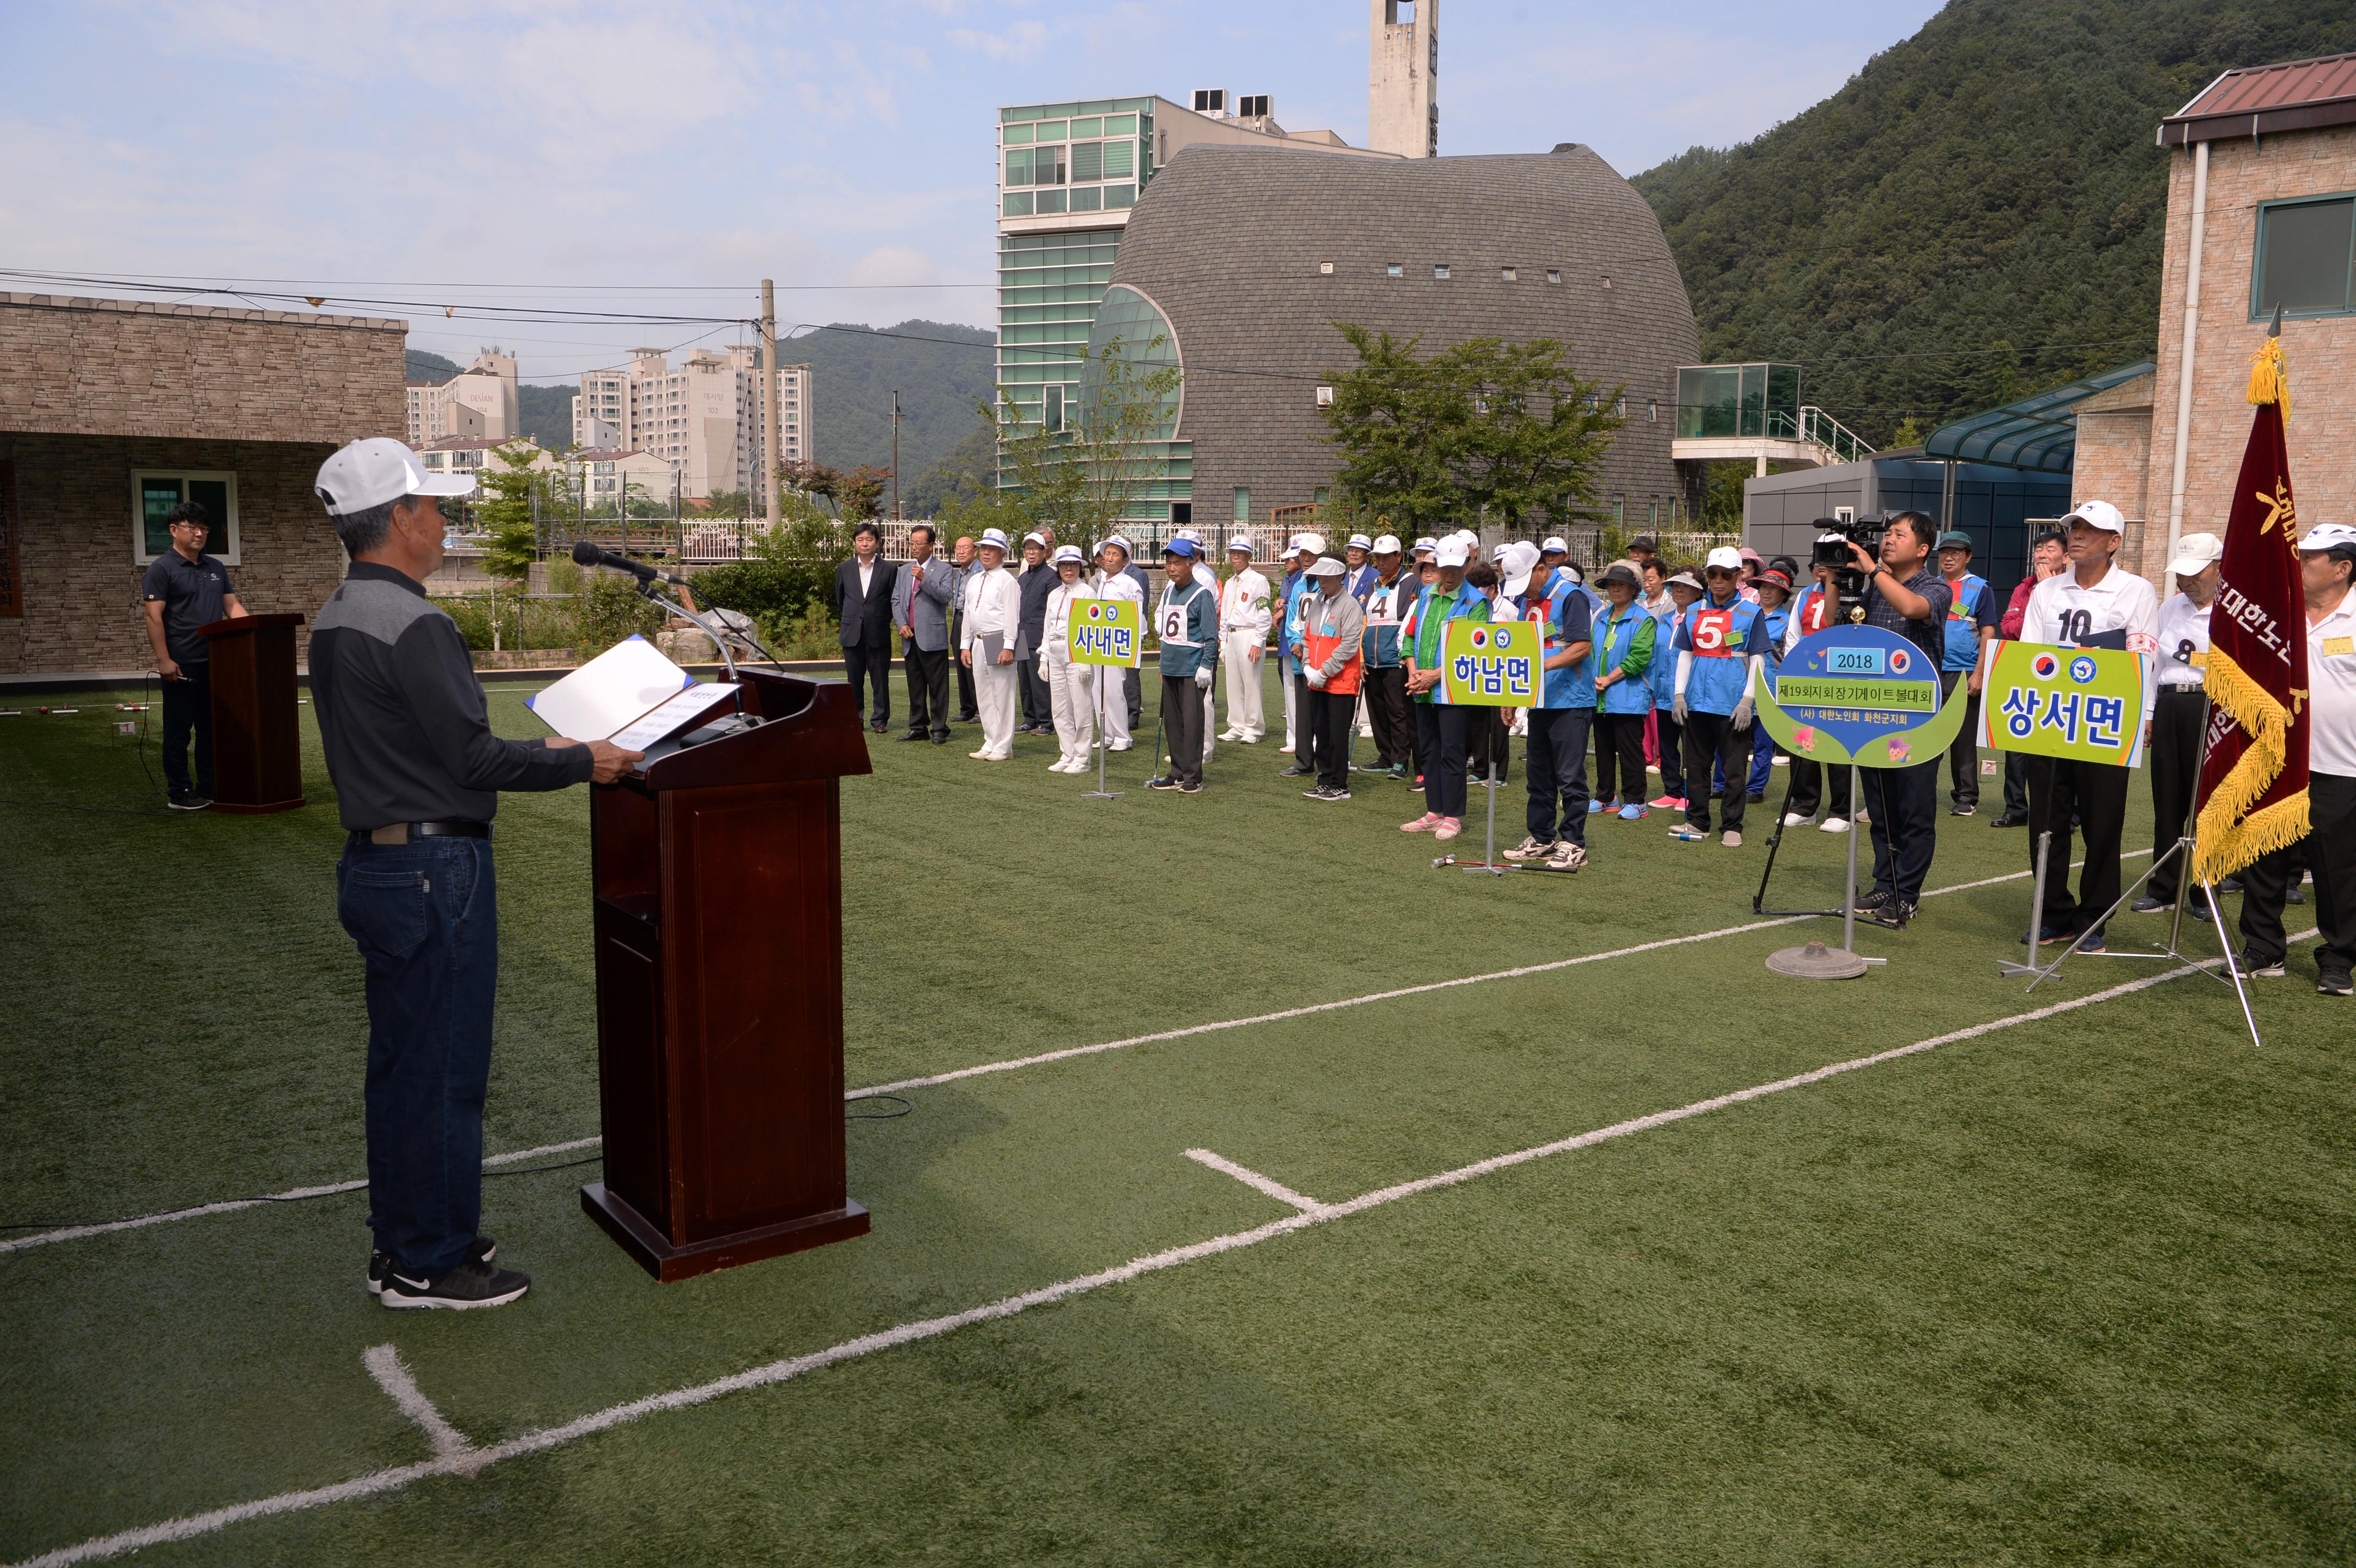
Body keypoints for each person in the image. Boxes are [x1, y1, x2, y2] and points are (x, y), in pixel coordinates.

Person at [307, 438, 639, 1309]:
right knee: (442, 1072)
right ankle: (430, 1262)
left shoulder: (339, 614)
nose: (445, 521)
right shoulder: (415, 622)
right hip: (432, 865)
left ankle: (408, 1239)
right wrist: (579, 759)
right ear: (401, 519)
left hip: (380, 865)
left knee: (403, 1067)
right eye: (437, 507)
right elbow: (471, 755)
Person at [2018, 500, 2159, 951]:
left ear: (2114, 542)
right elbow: (2027, 653)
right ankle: (2052, 912)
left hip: (2106, 721)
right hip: (2051, 717)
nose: (2076, 535)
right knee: (2046, 821)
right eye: (2073, 527)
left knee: (2103, 823)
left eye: (2089, 530)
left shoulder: (2136, 590)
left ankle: (2094, 917)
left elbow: (2144, 658)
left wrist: (2147, 714)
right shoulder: (2047, 591)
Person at [2237, 523, 2356, 995]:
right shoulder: (2277, 614)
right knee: (2263, 859)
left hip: (2339, 765)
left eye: (2310, 557)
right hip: (2275, 759)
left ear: (2342, 568)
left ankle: (2338, 958)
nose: (2299, 562)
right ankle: (2262, 949)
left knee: (2336, 870)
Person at [1838, 512, 1952, 923]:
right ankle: (1884, 886)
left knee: (1914, 810)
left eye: (1898, 535)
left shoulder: (1936, 588)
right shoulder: (1872, 587)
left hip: (1919, 717)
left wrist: (1872, 572)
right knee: (1882, 808)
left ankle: (1907, 893)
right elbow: (1841, 626)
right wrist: (1841, 581)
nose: (1887, 541)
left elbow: (1910, 605)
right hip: (1873, 713)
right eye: (1886, 535)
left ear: (1922, 549)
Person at [141, 499, 250, 810]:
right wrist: (164, 659)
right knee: (178, 732)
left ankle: (209, 786)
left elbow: (232, 607)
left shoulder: (215, 567)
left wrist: (257, 632)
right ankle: (180, 792)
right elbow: (153, 617)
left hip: (216, 661)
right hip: (181, 663)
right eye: (192, 527)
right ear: (174, 530)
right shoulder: (161, 569)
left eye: (204, 528)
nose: (200, 534)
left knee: (210, 730)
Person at [2135, 531, 2222, 918]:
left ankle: (2206, 890)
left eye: (2196, 573)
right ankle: (2164, 886)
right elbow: (2156, 666)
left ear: (2219, 569)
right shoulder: (2171, 609)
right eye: (2182, 574)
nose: (2187, 581)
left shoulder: (2233, 612)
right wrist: (2150, 713)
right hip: (2172, 704)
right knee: (2167, 800)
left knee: (2209, 803)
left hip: (2215, 706)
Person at [1502, 544, 1597, 871]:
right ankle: (1542, 837)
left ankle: (1574, 842)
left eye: (1527, 580)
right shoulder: (1529, 600)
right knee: (1538, 772)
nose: (1524, 589)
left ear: (1542, 569)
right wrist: (1513, 696)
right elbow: (1521, 649)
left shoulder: (1572, 596)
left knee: (1569, 776)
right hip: (1539, 700)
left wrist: (1539, 668)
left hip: (1571, 700)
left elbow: (1582, 648)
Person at [1669, 546, 1769, 847]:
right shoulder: (1695, 610)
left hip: (1732, 703)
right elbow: (1686, 653)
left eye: (1726, 575)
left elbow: (1758, 659)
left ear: (1739, 577)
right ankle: (1699, 820)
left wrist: (1748, 700)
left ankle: (1732, 825)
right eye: (1713, 574)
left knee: (1735, 768)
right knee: (1696, 767)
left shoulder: (1751, 613)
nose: (1718, 580)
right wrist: (1678, 695)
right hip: (1697, 703)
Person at [1399, 536, 1488, 842]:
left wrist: (1435, 676)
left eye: (1457, 567)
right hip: (1422, 687)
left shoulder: (1477, 602)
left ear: (1468, 565)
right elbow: (1410, 637)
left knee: (1452, 752)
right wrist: (1413, 671)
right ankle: (1434, 811)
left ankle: (1453, 815)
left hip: (1453, 688)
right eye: (1444, 567)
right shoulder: (1425, 596)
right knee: (1429, 750)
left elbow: (1475, 652)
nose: (1450, 574)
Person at [1993, 530, 2070, 827]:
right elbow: (2009, 628)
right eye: (2039, 548)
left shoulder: (2071, 590)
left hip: (2063, 677)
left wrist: (2047, 592)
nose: (2042, 554)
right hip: (2025, 674)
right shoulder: (2023, 588)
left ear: (2065, 558)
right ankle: (2016, 807)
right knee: (2017, 742)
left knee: (2061, 744)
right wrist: (2038, 598)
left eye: (2050, 549)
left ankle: (2064, 812)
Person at [1782, 554, 1855, 832]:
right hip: (1807, 677)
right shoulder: (1804, 595)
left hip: (1841, 679)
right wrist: (1791, 672)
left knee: (1837, 742)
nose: (1821, 568)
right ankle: (1804, 805)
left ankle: (1841, 811)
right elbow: (1793, 636)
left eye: (1830, 563)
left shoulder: (1853, 592)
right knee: (1804, 739)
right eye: (1818, 563)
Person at [1931, 530, 2000, 816]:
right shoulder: (1929, 586)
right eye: (1945, 552)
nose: (1949, 557)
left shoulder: (1980, 588)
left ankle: (1966, 796)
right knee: (1930, 736)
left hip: (1963, 671)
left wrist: (1979, 673)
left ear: (1968, 557)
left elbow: (1988, 633)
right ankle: (1923, 791)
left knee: (1963, 738)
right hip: (1931, 670)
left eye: (1956, 553)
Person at [1588, 562, 1657, 818]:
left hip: (1627, 695)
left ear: (1634, 590)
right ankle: (1606, 796)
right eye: (1612, 585)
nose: (1615, 590)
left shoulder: (1644, 619)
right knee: (1603, 748)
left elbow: (1639, 657)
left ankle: (1636, 800)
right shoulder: (1602, 617)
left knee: (1630, 750)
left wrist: (1607, 679)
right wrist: (1595, 680)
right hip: (1601, 695)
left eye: (1621, 585)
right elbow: (1593, 652)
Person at [1151, 538, 1218, 792]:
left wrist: (1206, 666)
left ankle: (1194, 776)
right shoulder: (1168, 592)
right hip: (1171, 667)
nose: (1171, 568)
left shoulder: (1202, 594)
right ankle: (1177, 772)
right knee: (1173, 723)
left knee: (1192, 724)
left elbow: (1212, 636)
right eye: (1168, 563)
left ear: (1191, 564)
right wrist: (1162, 663)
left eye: (1177, 563)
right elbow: (1168, 635)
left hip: (1192, 669)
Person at [1299, 555, 1366, 801]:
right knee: (1323, 733)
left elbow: (1349, 646)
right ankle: (1325, 778)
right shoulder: (1318, 602)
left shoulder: (1350, 606)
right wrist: (1308, 667)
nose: (1321, 580)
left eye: (1327, 576)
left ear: (1340, 576)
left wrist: (1324, 671)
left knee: (1337, 734)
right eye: (1320, 576)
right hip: (1317, 680)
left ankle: (1339, 783)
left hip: (1340, 682)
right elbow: (1308, 638)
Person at [959, 528, 1022, 762]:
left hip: (998, 638)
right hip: (978, 640)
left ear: (1002, 554)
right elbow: (968, 614)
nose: (986, 553)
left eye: (992, 549)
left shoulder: (1007, 581)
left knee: (1003, 695)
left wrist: (1009, 646)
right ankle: (991, 740)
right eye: (984, 548)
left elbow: (1012, 617)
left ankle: (1004, 746)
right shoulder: (974, 580)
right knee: (984, 695)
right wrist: (965, 644)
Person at [889, 523, 953, 745]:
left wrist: (925, 578)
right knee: (915, 685)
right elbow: (896, 600)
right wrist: (901, 624)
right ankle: (918, 727)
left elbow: (946, 597)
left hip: (933, 637)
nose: (914, 547)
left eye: (919, 543)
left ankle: (939, 728)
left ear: (931, 545)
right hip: (910, 636)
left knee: (938, 686)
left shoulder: (944, 569)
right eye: (912, 543)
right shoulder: (904, 570)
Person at [1038, 545, 1099, 773]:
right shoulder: (1055, 594)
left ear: (1080, 567)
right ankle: (1067, 753)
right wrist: (1044, 657)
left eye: (1073, 564)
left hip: (1077, 653)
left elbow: (1092, 628)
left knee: (1081, 707)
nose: (1068, 569)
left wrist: (1085, 659)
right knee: (1060, 708)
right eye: (1064, 565)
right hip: (1055, 652)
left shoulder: (1086, 593)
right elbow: (1047, 627)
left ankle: (1082, 758)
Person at [834, 521, 898, 734]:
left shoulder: (889, 569)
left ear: (877, 543)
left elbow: (892, 600)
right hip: (852, 632)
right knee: (854, 680)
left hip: (878, 632)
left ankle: (880, 720)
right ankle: (856, 718)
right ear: (855, 543)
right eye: (860, 539)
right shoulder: (844, 568)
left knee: (880, 679)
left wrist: (878, 618)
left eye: (869, 539)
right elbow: (840, 598)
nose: (865, 543)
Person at [1362, 535, 1414, 780]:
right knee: (1377, 711)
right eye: (1377, 558)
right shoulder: (1375, 583)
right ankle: (1385, 755)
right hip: (1372, 658)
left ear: (1398, 557)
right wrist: (1362, 655)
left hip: (1395, 658)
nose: (1380, 562)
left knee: (1398, 711)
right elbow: (1367, 620)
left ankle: (1401, 760)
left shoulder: (1411, 582)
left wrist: (1406, 653)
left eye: (1385, 557)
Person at [1743, 566, 1794, 802]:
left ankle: (1755, 789)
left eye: (1773, 588)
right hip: (1741, 684)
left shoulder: (1788, 621)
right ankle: (1723, 784)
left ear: (1784, 594)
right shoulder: (1746, 614)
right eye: (1764, 586)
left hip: (1771, 686)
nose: (1766, 592)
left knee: (1763, 743)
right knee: (1734, 740)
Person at [1648, 568, 1697, 810]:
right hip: (1663, 694)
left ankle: (1689, 793)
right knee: (1667, 746)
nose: (1679, 590)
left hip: (1690, 696)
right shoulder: (1663, 621)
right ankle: (1672, 790)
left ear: (1698, 591)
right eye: (1675, 586)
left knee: (1691, 748)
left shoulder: (1701, 619)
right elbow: (1656, 656)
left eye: (1686, 586)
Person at [1091, 538, 1145, 752]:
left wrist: (1133, 643)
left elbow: (1136, 616)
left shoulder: (1130, 584)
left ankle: (1122, 736)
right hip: (1099, 641)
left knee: (1114, 690)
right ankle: (1106, 734)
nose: (1109, 558)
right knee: (1098, 689)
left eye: (1115, 554)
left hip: (1118, 642)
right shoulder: (1101, 581)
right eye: (1107, 554)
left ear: (1125, 560)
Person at [1217, 538, 1271, 743]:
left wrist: (1259, 641)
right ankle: (1237, 725)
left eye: (1240, 553)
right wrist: (1223, 641)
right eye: (1233, 553)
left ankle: (1254, 728)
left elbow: (1264, 612)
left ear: (1249, 556)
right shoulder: (1231, 582)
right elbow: (1225, 613)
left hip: (1250, 633)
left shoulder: (1259, 580)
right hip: (1232, 634)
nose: (1236, 557)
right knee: (1233, 683)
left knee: (1251, 682)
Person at [1278, 536, 1321, 772]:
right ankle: (1304, 761)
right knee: (1303, 713)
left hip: (1322, 658)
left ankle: (1327, 759)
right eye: (1303, 554)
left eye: (1310, 555)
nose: (1305, 559)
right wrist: (1296, 643)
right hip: (1300, 658)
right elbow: (1294, 620)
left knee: (1323, 712)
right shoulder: (1299, 585)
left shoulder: (1328, 584)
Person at [1013, 532, 1055, 735]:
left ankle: (1047, 721)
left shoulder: (1051, 577)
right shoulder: (1022, 577)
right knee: (1025, 680)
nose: (1031, 553)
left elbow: (1051, 609)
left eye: (1036, 549)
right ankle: (1030, 717)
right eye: (1028, 549)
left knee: (1040, 682)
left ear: (1044, 552)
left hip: (1038, 636)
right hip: (1021, 634)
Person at [948, 535, 980, 722]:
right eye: (958, 548)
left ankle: (980, 709)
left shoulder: (979, 571)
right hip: (958, 620)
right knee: (961, 666)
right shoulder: (960, 572)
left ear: (974, 551)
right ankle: (966, 707)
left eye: (965, 548)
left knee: (975, 666)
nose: (961, 551)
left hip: (973, 622)